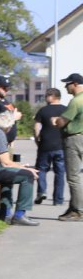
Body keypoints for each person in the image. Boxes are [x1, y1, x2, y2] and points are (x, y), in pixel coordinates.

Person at [0, 109, 38, 226]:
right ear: (8, 126)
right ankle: (19, 215)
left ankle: (5, 214)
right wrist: (25, 169)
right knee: (27, 176)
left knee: (8, 176)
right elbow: (6, 162)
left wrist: (19, 167)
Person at [33, 87, 68, 208]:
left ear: (52, 97)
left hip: (46, 145)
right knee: (60, 172)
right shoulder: (66, 110)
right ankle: (58, 199)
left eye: (46, 95)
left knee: (41, 169)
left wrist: (37, 141)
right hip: (61, 146)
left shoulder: (43, 110)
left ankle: (41, 191)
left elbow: (36, 128)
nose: (45, 98)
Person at [55, 72, 83, 222]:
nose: (66, 86)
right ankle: (73, 207)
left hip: (74, 139)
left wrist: (56, 120)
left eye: (68, 84)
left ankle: (78, 211)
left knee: (73, 177)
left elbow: (62, 122)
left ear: (75, 84)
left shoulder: (76, 101)